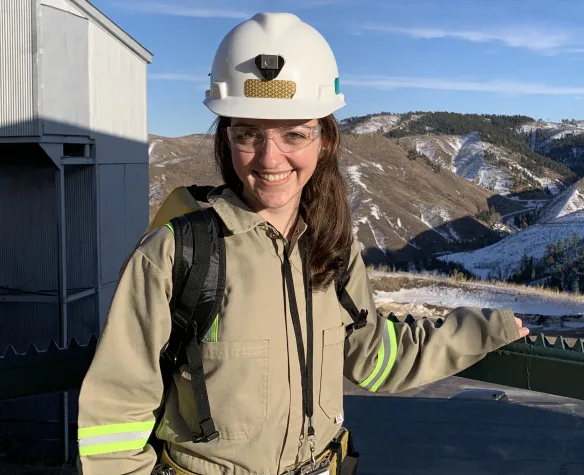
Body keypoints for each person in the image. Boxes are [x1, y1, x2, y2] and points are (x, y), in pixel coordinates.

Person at [75, 11, 529, 475]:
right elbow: (115, 414)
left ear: (324, 140)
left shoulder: (330, 245)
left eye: (294, 133)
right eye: (249, 134)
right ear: (226, 139)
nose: (271, 158)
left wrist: (484, 331)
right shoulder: (177, 255)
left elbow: (373, 357)